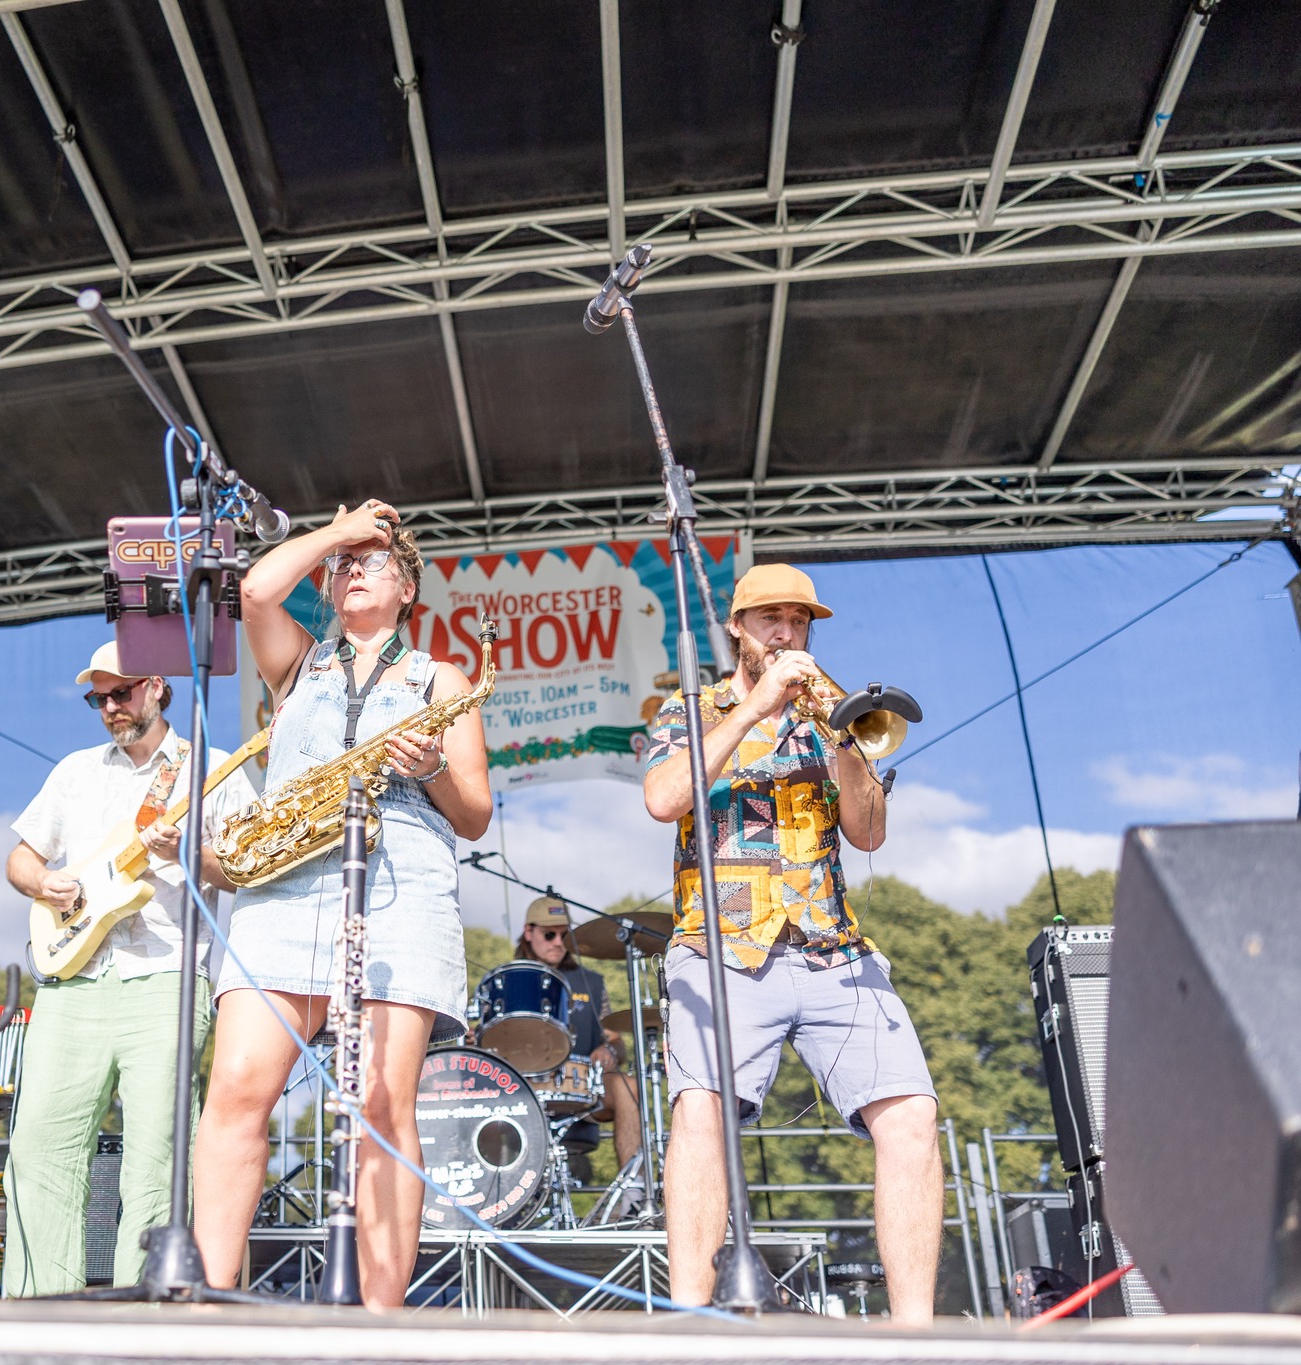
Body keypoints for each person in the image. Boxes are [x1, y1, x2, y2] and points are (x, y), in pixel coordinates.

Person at [195, 497, 491, 1311]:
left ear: (408, 589)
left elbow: (473, 813)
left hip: (400, 882)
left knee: (383, 1103)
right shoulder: (298, 660)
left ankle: (380, 1322)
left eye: (374, 560)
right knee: (238, 1086)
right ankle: (209, 1302)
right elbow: (256, 591)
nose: (355, 569)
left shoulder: (441, 678)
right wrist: (339, 532)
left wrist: (431, 768)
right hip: (286, 884)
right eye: (344, 565)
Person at [641, 563, 940, 1322]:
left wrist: (846, 742)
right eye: (770, 618)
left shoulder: (831, 712)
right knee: (701, 1113)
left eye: (798, 620)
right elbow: (663, 798)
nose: (786, 632)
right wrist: (754, 708)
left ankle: (916, 1334)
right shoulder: (689, 709)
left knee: (911, 1115)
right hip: (721, 949)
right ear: (737, 627)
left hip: (833, 947)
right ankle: (692, 1323)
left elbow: (868, 834)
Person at [0, 643, 254, 1296]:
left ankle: (146, 1318)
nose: (110, 707)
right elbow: (20, 859)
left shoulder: (213, 768)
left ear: (158, 686)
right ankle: (38, 1315)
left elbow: (247, 870)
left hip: (167, 978)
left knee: (158, 1158)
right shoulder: (76, 770)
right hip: (72, 979)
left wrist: (188, 852)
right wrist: (45, 884)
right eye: (99, 698)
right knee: (38, 1147)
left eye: (122, 692)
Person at [514, 897, 642, 1179]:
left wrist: (610, 1051)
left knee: (629, 1086)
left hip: (582, 1086)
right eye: (549, 934)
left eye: (565, 935)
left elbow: (615, 1041)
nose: (558, 942)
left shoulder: (591, 982)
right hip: (522, 1088)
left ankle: (633, 1190)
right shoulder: (507, 980)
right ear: (528, 932)